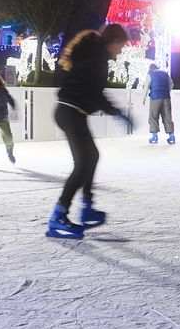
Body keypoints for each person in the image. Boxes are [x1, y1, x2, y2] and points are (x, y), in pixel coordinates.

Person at [47, 24, 131, 238]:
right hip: (71, 112)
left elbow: (90, 90)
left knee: (91, 157)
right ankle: (59, 216)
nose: (121, 50)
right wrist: (117, 112)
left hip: (71, 112)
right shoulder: (98, 58)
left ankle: (86, 206)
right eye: (121, 45)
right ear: (114, 42)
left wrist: (114, 111)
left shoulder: (93, 52)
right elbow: (96, 94)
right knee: (83, 164)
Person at [142, 62, 175, 145]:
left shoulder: (150, 74)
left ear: (150, 68)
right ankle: (171, 137)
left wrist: (144, 98)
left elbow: (146, 86)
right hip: (166, 98)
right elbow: (171, 84)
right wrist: (166, 91)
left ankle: (154, 137)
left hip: (155, 97)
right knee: (167, 116)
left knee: (153, 116)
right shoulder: (165, 74)